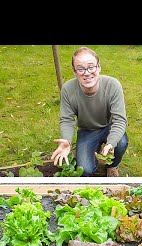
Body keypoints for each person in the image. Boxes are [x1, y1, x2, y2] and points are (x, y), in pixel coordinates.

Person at [51, 46, 128, 177]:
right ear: (74, 71)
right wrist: (67, 140)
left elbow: (119, 120)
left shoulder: (113, 85)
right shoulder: (68, 89)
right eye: (80, 68)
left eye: (91, 67)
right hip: (87, 131)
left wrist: (111, 143)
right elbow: (67, 119)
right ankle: (93, 154)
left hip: (109, 126)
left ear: (99, 67)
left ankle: (112, 166)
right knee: (84, 170)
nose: (87, 73)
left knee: (121, 143)